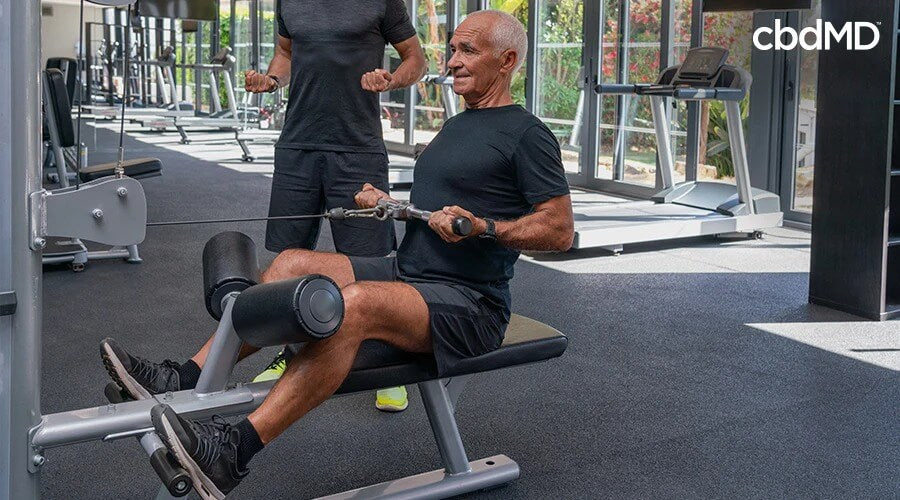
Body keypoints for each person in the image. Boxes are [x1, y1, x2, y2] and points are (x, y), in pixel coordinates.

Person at [100, 10, 574, 499]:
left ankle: (232, 452)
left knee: (355, 302)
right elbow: (433, 212)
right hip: (411, 273)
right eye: (453, 50)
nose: (451, 61)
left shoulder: (526, 133)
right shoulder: (459, 127)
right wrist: (387, 204)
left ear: (508, 60)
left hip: (469, 303)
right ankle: (184, 374)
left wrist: (485, 228)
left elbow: (559, 231)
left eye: (467, 51)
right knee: (290, 266)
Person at [243, 0, 427, 411]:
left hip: (356, 149)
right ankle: (290, 352)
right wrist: (272, 81)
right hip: (298, 145)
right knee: (289, 255)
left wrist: (391, 80)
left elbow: (417, 58)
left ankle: (387, 362)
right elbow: (286, 53)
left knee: (371, 259)